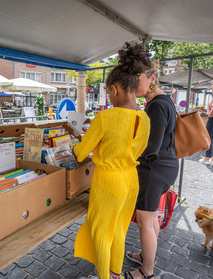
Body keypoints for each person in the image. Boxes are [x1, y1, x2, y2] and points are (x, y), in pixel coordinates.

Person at [73, 43, 152, 279]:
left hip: (108, 181)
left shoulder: (105, 117)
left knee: (101, 232)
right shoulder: (145, 118)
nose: (108, 96)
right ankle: (115, 274)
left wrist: (78, 142)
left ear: (115, 89)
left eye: (108, 92)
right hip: (130, 180)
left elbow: (80, 153)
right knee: (119, 230)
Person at [124, 62, 179, 279]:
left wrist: (128, 155)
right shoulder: (163, 101)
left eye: (138, 81)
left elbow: (151, 147)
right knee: (152, 217)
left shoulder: (156, 106)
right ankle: (146, 257)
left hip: (154, 169)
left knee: (145, 222)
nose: (134, 86)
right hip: (164, 167)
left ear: (152, 78)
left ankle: (146, 272)